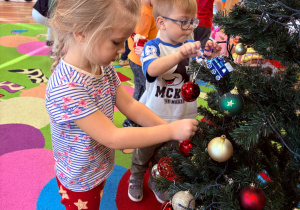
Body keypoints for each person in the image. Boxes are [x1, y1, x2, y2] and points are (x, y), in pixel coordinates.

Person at [45, 0, 199, 209]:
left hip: (98, 165)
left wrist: (164, 126)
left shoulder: (103, 68)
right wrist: (170, 130)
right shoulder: (66, 87)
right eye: (116, 42)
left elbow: (132, 107)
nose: (123, 50)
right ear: (81, 33)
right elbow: (113, 137)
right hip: (80, 180)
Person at [128, 0, 222, 203]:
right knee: (144, 151)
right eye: (183, 22)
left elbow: (209, 74)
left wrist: (213, 57)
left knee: (170, 156)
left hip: (182, 116)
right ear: (161, 22)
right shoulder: (152, 47)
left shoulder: (191, 47)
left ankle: (157, 180)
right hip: (152, 115)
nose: (189, 28)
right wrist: (179, 54)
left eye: (192, 22)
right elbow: (152, 70)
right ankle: (136, 176)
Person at [122, 0, 158, 127]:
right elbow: (139, 38)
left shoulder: (145, 9)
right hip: (141, 60)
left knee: (140, 91)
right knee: (147, 92)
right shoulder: (145, 12)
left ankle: (131, 121)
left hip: (138, 59)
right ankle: (134, 122)